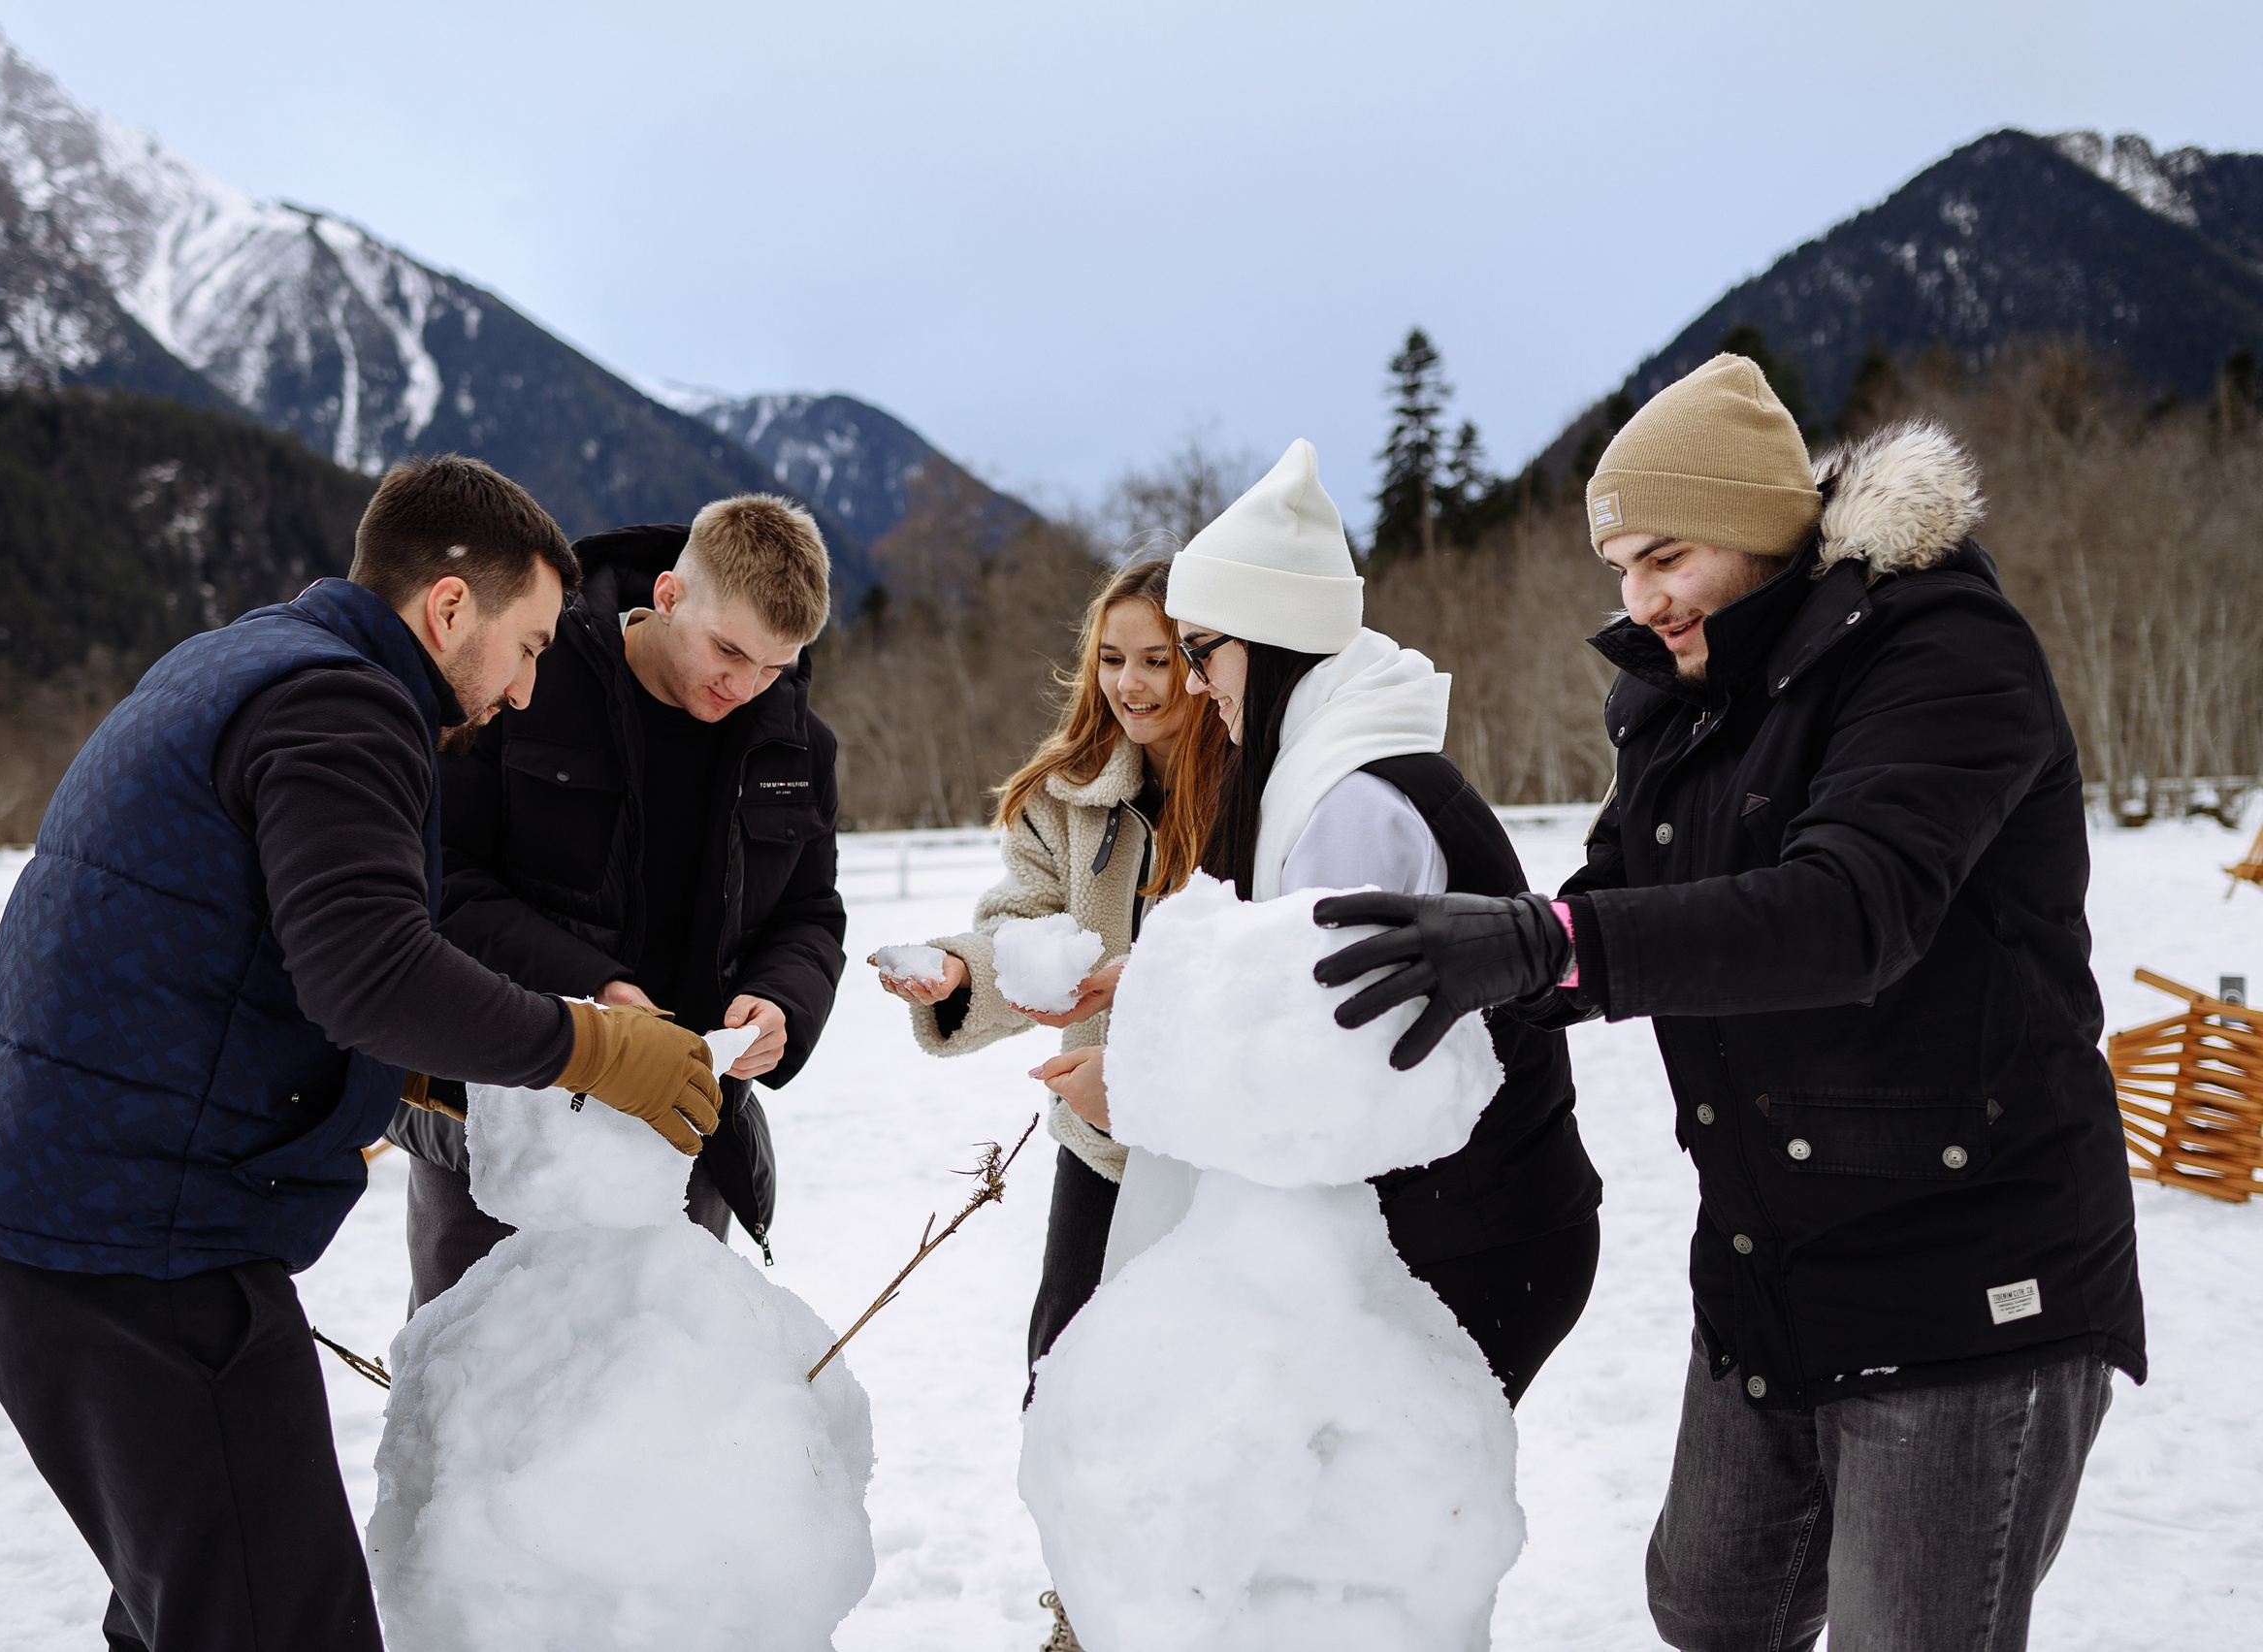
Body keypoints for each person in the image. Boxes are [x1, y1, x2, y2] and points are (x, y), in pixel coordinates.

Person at [1313, 355, 2146, 1652]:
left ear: (1759, 525)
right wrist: (1401, 991)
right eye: (1619, 571)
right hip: (1774, 1258)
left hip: (1968, 1264)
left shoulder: (1941, 653)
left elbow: (1849, 909)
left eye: (1666, 556)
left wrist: (1544, 945)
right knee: (1713, 1605)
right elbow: (1615, 899)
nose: (1640, 600)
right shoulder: (1685, 698)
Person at [0, 455, 721, 1652]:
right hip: (143, 1257)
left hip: (67, 1226)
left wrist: (428, 1071)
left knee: (190, 1609)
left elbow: (257, 959)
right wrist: (595, 1047)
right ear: (449, 607)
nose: (524, 688)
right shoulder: (341, 708)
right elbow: (370, 970)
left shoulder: (244, 659)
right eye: (533, 643)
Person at [1040, 438, 1603, 1413]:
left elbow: (1326, 1060)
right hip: (1464, 1222)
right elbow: (1292, 971)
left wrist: (1136, 1086)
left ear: (1271, 639)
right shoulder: (1333, 765)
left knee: (1379, 1540)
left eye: (1202, 649)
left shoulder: (1353, 800)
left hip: (1483, 1235)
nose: (1191, 679)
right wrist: (1154, 974)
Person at [398, 496, 845, 1304]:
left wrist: (782, 1000)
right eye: (728, 650)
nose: (743, 685)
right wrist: (596, 989)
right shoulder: (527, 675)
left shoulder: (799, 744)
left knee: (655, 1413)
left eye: (774, 667)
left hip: (683, 1138)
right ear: (669, 594)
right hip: (502, 1128)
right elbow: (438, 877)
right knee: (473, 1408)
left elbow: (811, 914)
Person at [873, 558, 1229, 1396]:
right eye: (1112, 658)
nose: (1130, 683)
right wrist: (962, 969)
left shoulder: (1250, 791)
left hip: (1221, 1147)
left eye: (1156, 657)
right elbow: (1028, 934)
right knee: (1063, 1384)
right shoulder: (1066, 795)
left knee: (1201, 1394)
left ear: (1204, 659)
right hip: (1098, 1146)